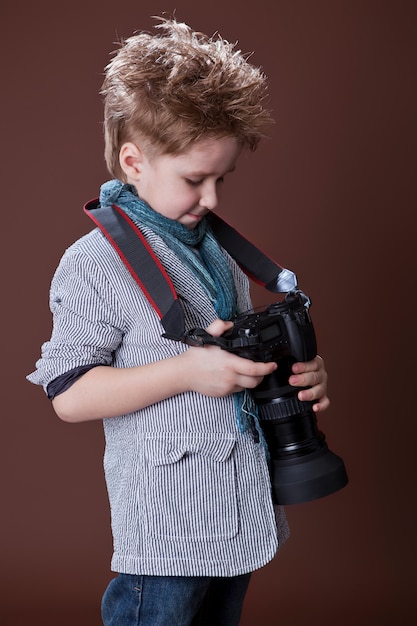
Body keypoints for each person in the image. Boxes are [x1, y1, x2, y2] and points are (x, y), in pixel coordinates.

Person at [28, 17, 330, 626]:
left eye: (223, 179)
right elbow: (69, 395)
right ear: (134, 162)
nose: (213, 199)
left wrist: (300, 376)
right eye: (196, 180)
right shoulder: (94, 262)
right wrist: (187, 371)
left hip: (237, 512)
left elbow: (242, 366)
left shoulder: (216, 251)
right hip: (167, 528)